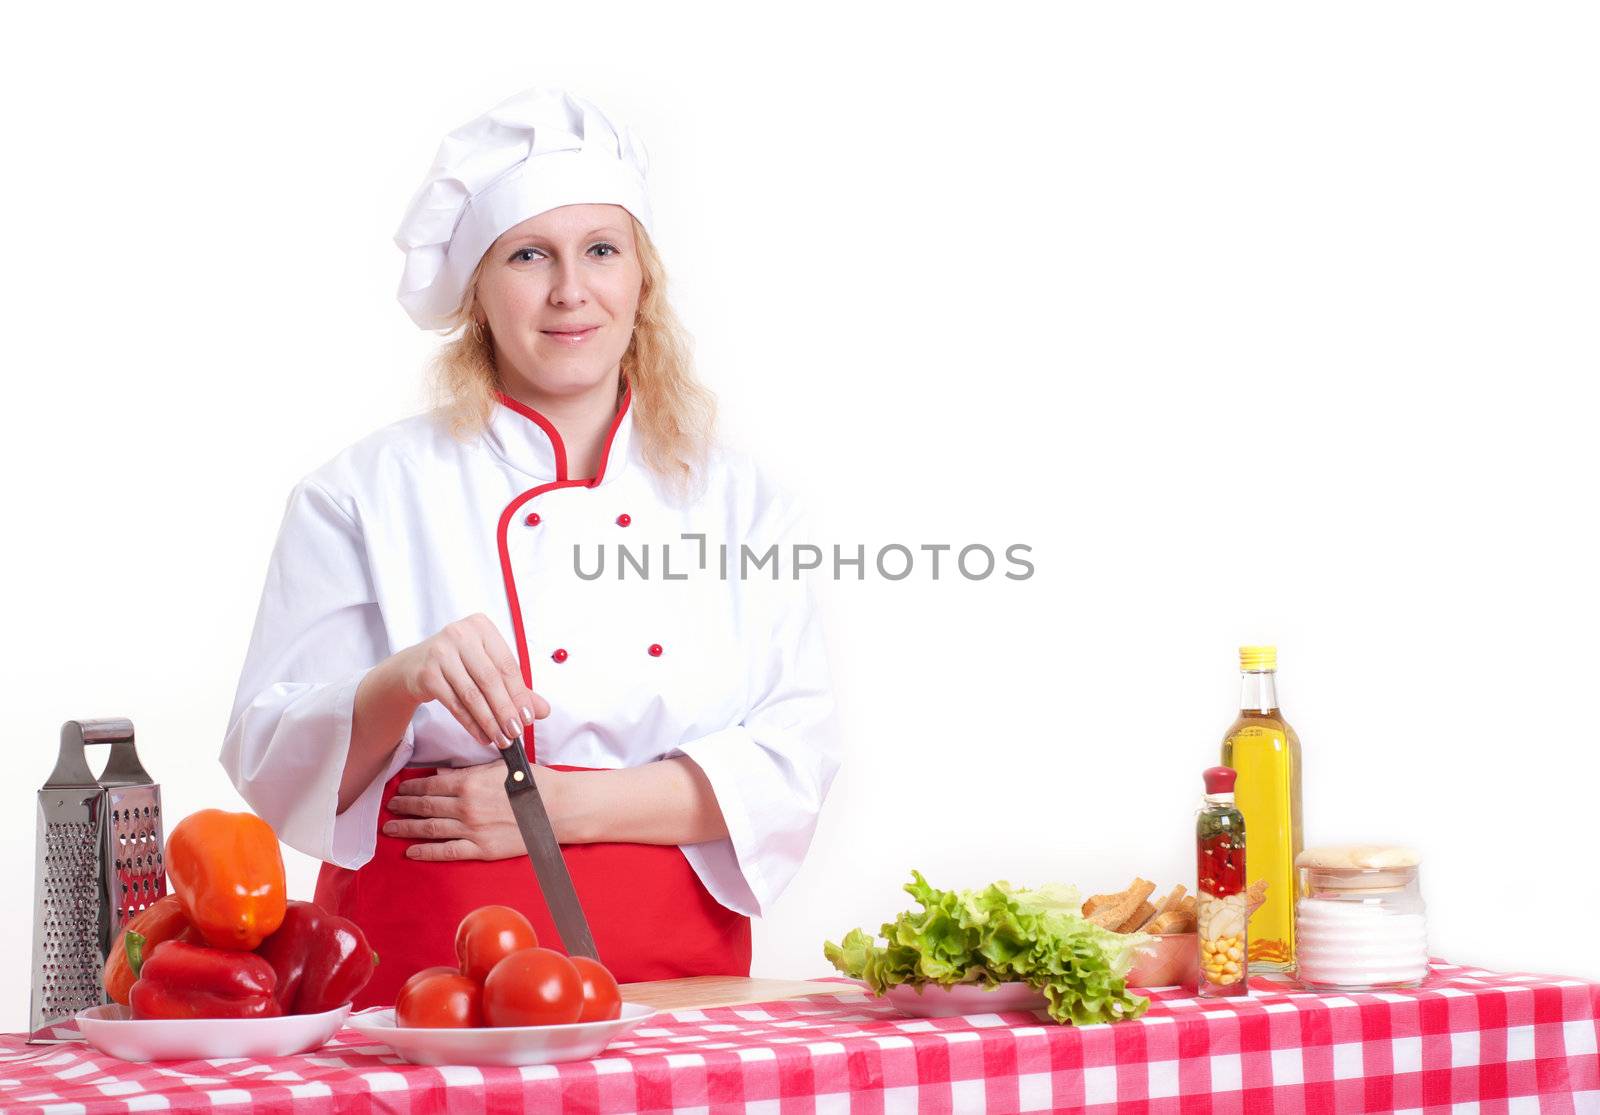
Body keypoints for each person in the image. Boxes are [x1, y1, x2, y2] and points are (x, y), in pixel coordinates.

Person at [220, 85, 841, 1008]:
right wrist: (405, 678)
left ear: (643, 276)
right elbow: (271, 761)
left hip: (682, 977)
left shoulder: (743, 503)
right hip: (422, 981)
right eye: (528, 255)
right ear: (478, 288)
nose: (569, 291)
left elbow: (797, 754)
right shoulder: (362, 493)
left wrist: (549, 807)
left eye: (600, 249)